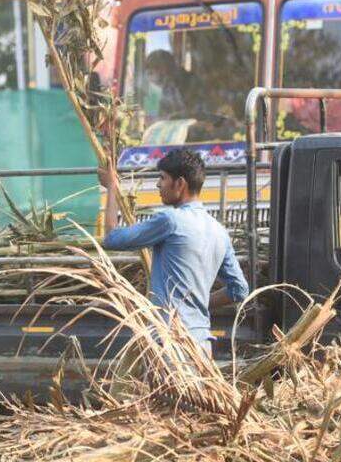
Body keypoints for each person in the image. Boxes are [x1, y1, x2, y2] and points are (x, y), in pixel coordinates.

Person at [100, 149, 249, 356]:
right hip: (201, 344)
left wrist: (111, 188)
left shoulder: (171, 221)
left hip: (171, 342)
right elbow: (239, 290)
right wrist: (196, 303)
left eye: (162, 178)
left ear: (180, 184)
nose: (158, 185)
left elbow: (111, 239)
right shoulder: (219, 231)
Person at [145, 50, 195, 120]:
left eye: (151, 72)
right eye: (149, 73)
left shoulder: (189, 83)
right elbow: (151, 117)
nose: (150, 77)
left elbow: (195, 115)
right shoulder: (156, 92)